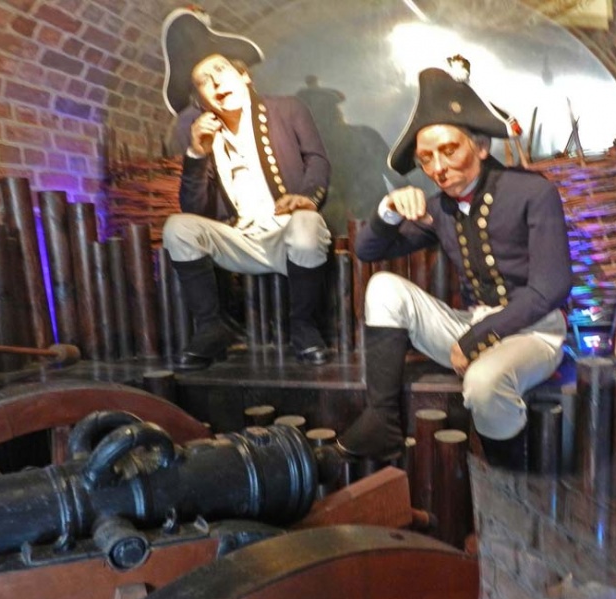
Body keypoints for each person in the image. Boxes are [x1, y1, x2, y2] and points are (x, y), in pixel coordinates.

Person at [337, 64, 571, 470]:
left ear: (480, 146)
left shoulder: (532, 192)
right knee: (383, 288)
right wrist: (389, 210)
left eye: (449, 150)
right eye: (426, 159)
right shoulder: (440, 207)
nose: (437, 168)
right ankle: (382, 420)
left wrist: (476, 339)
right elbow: (367, 250)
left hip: (533, 332)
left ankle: (505, 474)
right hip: (469, 325)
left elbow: (552, 286)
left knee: (483, 383)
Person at [160, 8, 332, 370]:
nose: (216, 83)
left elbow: (317, 160)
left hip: (287, 232)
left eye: (221, 70)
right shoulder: (203, 135)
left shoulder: (287, 109)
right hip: (237, 239)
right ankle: (211, 327)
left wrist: (306, 198)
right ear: (200, 99)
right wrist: (196, 154)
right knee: (177, 228)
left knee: (307, 224)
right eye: (204, 81)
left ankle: (303, 326)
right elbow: (194, 210)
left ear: (244, 75)